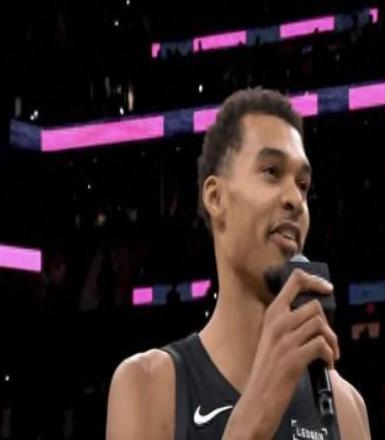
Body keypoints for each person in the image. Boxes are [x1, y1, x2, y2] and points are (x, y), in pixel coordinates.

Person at [106, 88, 371, 439]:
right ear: (216, 197)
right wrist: (253, 418)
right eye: (272, 171)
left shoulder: (346, 407)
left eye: (303, 185)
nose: (295, 199)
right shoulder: (148, 386)